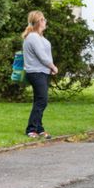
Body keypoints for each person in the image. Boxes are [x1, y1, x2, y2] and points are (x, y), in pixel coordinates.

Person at [22, 11, 58, 139]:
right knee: (42, 100)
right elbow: (42, 56)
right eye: (43, 19)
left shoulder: (39, 37)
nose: (45, 21)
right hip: (36, 72)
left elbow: (45, 55)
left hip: (42, 72)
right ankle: (31, 129)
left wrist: (49, 68)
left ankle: (39, 128)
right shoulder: (33, 37)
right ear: (37, 22)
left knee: (39, 101)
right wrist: (53, 66)